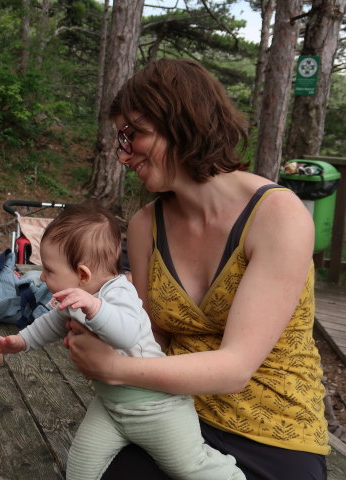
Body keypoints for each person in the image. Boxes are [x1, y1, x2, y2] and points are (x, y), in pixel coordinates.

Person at [65, 58, 330, 480]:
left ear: (183, 121)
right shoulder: (144, 226)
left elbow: (235, 368)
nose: (122, 154)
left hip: (273, 427)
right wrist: (99, 319)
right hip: (172, 412)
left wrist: (114, 368)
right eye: (121, 138)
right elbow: (151, 335)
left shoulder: (277, 214)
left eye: (134, 135)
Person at [0, 200, 245, 480]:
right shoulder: (75, 296)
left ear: (83, 274)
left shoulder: (118, 293)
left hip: (158, 409)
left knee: (188, 467)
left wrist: (95, 308)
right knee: (80, 466)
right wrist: (20, 341)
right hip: (109, 407)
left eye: (48, 270)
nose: (43, 277)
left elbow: (127, 334)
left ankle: (231, 475)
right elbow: (52, 323)